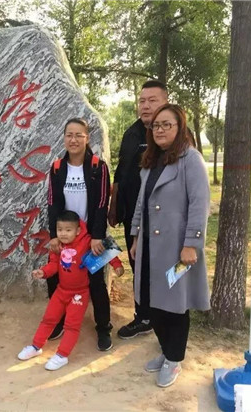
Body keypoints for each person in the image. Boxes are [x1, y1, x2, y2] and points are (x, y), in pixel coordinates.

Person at [129, 104, 210, 387]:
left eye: (167, 124)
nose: (160, 130)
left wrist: (192, 244)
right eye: (156, 125)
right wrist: (135, 236)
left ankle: (174, 360)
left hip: (176, 247)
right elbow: (141, 203)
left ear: (180, 128)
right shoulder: (151, 160)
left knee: (174, 304)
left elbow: (200, 204)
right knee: (152, 302)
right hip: (149, 246)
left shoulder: (191, 159)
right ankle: (166, 351)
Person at [17, 211, 123, 370]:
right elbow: (54, 264)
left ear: (78, 230)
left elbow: (106, 251)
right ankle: (36, 346)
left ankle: (62, 355)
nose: (63, 234)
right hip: (61, 291)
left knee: (71, 325)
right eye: (60, 230)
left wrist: (117, 265)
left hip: (79, 294)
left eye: (68, 230)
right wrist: (43, 272)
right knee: (48, 318)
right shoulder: (57, 245)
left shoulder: (87, 241)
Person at [47, 118, 114, 351]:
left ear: (87, 138)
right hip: (65, 235)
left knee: (95, 281)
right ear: (64, 138)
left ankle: (103, 327)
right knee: (56, 276)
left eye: (79, 135)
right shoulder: (57, 167)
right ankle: (58, 322)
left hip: (89, 236)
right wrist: (54, 235)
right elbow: (53, 202)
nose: (73, 140)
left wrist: (97, 236)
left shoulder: (97, 167)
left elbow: (102, 202)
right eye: (69, 135)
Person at [109, 80, 169, 340]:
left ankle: (169, 319)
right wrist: (114, 205)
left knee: (166, 270)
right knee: (138, 267)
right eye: (142, 101)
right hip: (134, 216)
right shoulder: (132, 133)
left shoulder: (176, 135)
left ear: (165, 102)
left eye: (152, 100)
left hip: (164, 219)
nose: (146, 106)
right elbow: (121, 172)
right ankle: (143, 317)